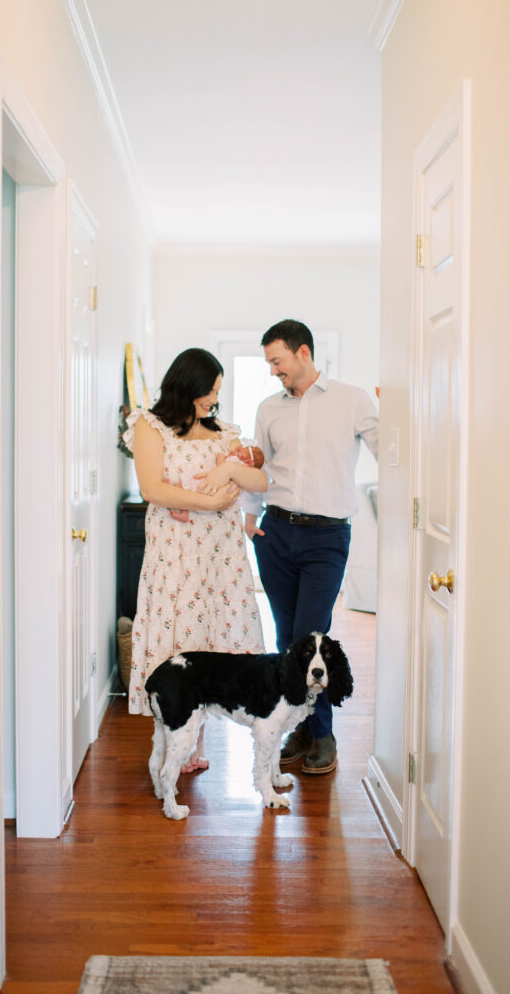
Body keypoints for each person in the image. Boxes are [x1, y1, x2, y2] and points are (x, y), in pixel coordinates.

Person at [243, 320, 378, 775]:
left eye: (277, 361)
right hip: (275, 533)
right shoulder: (268, 409)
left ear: (303, 353)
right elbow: (257, 465)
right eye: (269, 363)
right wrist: (248, 513)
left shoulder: (353, 399)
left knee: (311, 639)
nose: (272, 371)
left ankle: (321, 734)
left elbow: (390, 450)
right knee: (287, 640)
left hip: (326, 537)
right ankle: (299, 724)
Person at [123, 347, 268, 771]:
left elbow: (260, 479)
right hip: (175, 554)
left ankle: (197, 744)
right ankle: (171, 742)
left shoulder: (223, 432)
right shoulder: (151, 427)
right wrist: (210, 503)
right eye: (209, 391)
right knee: (177, 641)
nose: (213, 400)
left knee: (210, 641)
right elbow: (153, 489)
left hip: (220, 558)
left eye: (218, 393)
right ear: (187, 385)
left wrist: (229, 472)